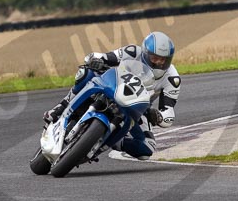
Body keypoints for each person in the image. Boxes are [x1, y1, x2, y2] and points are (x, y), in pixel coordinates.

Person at [43, 31, 181, 160]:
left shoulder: (172, 78)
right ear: (145, 52)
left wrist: (158, 116)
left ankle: (112, 140)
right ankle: (61, 107)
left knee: (147, 149)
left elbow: (169, 111)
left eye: (164, 60)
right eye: (155, 58)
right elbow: (107, 57)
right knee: (86, 73)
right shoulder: (132, 52)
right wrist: (97, 59)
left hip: (138, 107)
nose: (159, 63)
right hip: (113, 85)